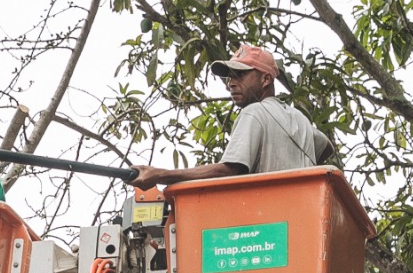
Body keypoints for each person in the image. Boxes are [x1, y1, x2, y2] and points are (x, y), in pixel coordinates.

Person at [131, 43, 332, 191]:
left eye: (240, 75)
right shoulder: (299, 118)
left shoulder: (255, 112)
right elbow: (326, 146)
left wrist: (160, 174)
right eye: (229, 77)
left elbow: (230, 171)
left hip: (268, 226)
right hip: (302, 220)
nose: (231, 83)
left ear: (266, 79)